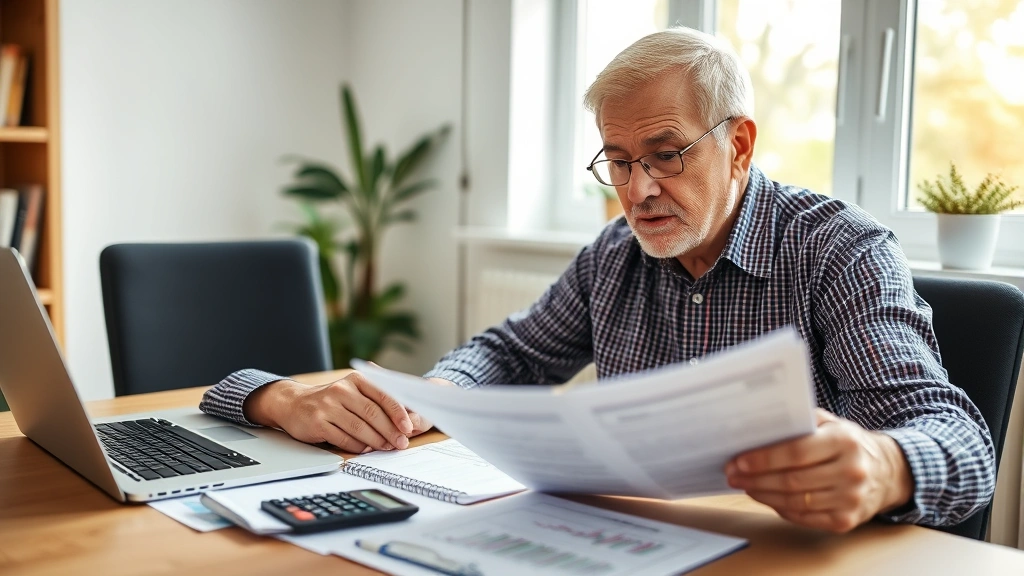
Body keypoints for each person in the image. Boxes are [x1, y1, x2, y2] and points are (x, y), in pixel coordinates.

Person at [200, 27, 994, 533]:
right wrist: (431, 392)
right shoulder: (616, 252)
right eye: (618, 161)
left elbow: (963, 447)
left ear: (741, 144)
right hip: (635, 545)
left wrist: (887, 466)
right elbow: (509, 354)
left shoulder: (841, 251)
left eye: (667, 152)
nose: (638, 189)